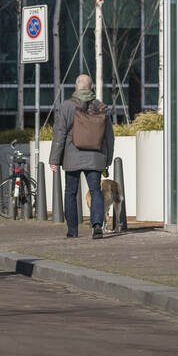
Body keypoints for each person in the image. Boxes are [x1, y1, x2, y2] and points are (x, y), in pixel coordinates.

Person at [49, 74, 114, 239]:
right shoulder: (101, 107)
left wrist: (54, 160)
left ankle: (72, 230)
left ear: (76, 87)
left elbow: (60, 134)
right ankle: (97, 225)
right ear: (91, 87)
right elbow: (109, 137)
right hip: (95, 157)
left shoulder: (66, 106)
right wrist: (107, 159)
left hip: (72, 156)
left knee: (71, 192)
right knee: (96, 191)